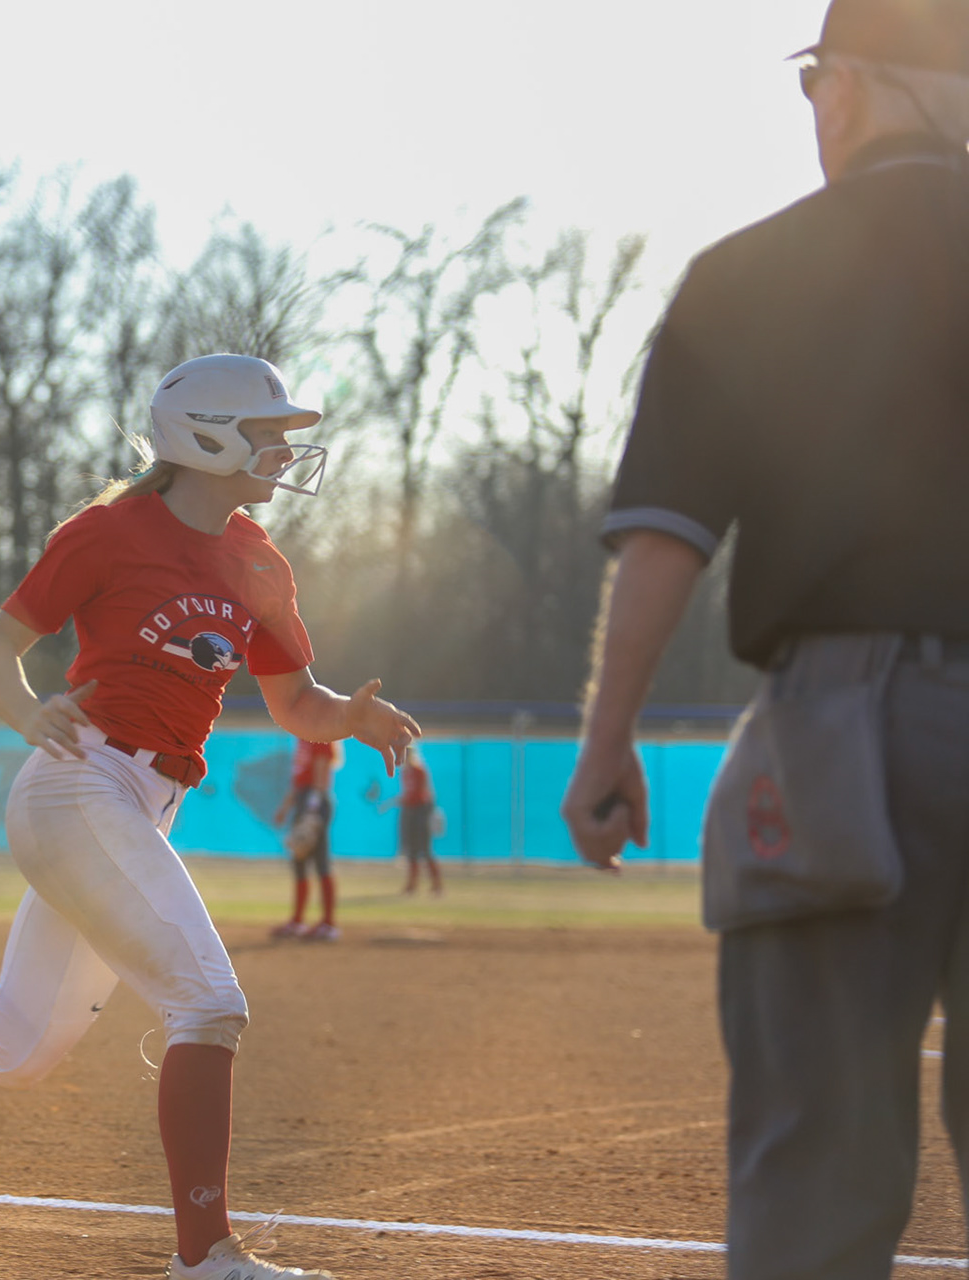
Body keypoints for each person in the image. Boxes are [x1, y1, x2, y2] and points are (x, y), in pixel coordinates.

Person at [0, 354, 421, 1280]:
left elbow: (295, 700)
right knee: (210, 1001)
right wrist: (29, 714)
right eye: (265, 431)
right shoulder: (110, 533)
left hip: (137, 805)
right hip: (78, 786)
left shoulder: (258, 559)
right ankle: (207, 1257)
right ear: (206, 436)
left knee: (8, 1050)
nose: (279, 449)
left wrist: (349, 715)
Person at [560, 2, 969, 1274]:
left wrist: (608, 737)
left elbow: (668, 534)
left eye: (811, 85)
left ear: (847, 89)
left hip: (847, 727)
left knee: (815, 1171)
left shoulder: (755, 269)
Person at [270, 736, 341, 940]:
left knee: (320, 861)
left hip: (314, 800)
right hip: (304, 797)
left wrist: (313, 805)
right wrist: (286, 807)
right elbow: (298, 779)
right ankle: (298, 921)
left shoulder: (321, 735)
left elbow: (322, 772)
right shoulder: (305, 737)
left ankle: (329, 924)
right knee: (299, 859)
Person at [380, 743, 442, 896]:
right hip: (409, 811)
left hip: (420, 811)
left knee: (425, 850)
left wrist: (430, 813)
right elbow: (407, 794)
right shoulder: (405, 772)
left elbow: (424, 793)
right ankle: (412, 884)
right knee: (411, 851)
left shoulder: (419, 771)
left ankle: (436, 884)